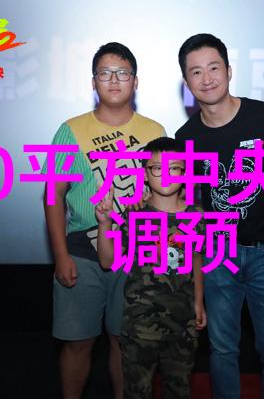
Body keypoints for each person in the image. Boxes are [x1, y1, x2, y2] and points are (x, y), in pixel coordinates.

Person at [175, 33, 264, 399]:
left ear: (228, 70)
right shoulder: (185, 137)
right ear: (186, 81)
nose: (206, 78)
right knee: (222, 350)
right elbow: (193, 205)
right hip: (218, 256)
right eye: (196, 72)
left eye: (213, 68)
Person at [42, 42, 165, 399]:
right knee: (77, 342)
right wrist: (60, 256)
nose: (114, 80)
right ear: (93, 82)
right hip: (82, 252)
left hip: (136, 254)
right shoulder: (70, 131)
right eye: (105, 73)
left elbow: (168, 195)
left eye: (123, 73)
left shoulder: (154, 131)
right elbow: (53, 195)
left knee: (124, 341)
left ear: (135, 82)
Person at [96, 137, 207, 398]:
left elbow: (196, 260)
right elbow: (107, 261)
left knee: (179, 390)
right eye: (157, 168)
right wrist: (104, 223)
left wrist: (199, 303)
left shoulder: (196, 216)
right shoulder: (134, 215)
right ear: (145, 174)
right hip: (139, 326)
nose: (166, 174)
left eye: (174, 168)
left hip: (182, 326)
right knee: (137, 391)